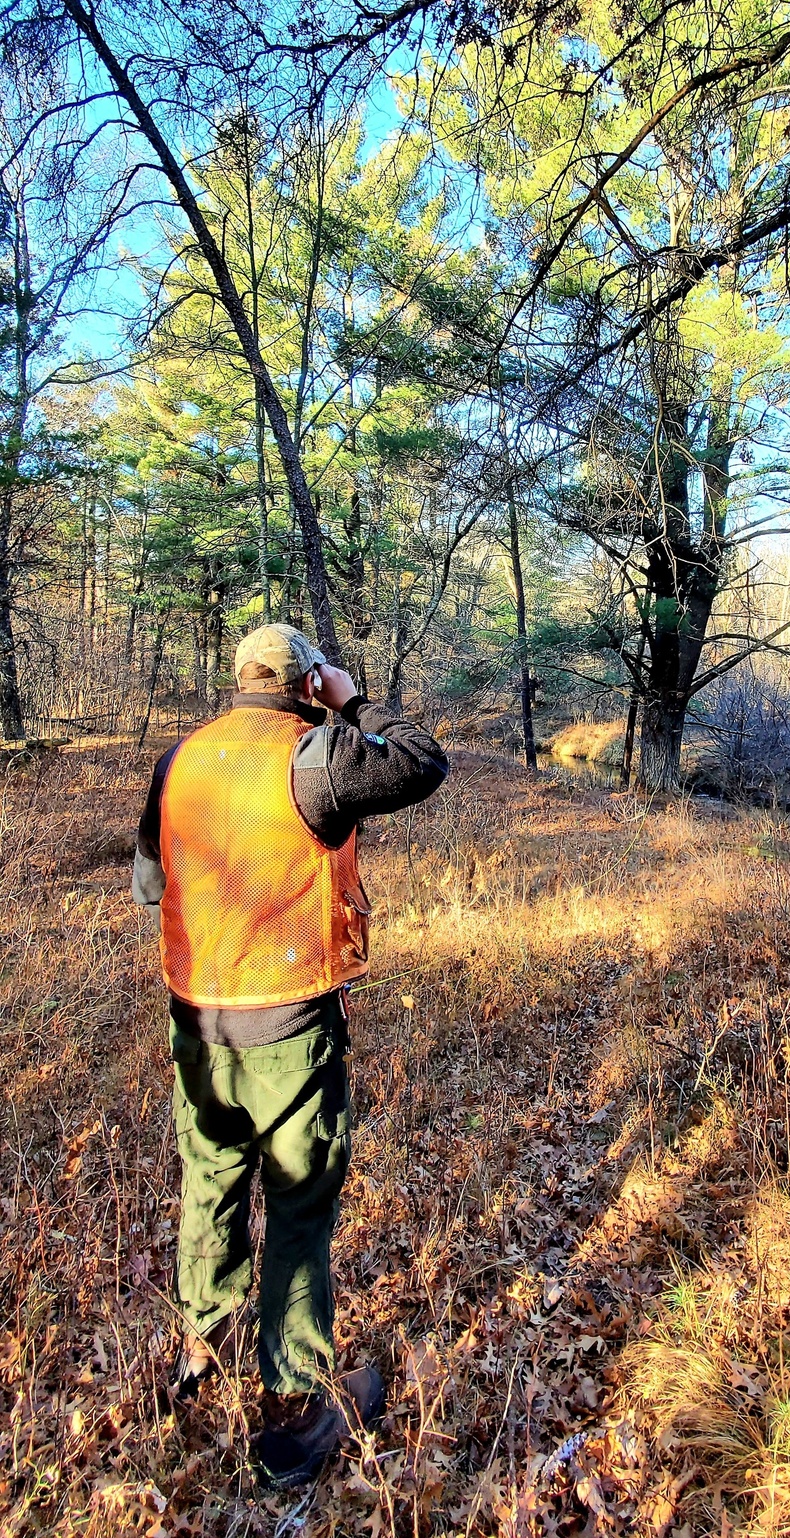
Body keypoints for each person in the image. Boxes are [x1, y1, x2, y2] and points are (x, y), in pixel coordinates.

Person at [132, 623, 447, 1488]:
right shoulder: (318, 754)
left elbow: (150, 885)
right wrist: (355, 701)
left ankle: (202, 1346)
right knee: (300, 1207)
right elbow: (421, 761)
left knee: (210, 1183)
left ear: (237, 680)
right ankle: (300, 1404)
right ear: (307, 683)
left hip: (196, 1022)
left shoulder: (179, 760)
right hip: (288, 1027)